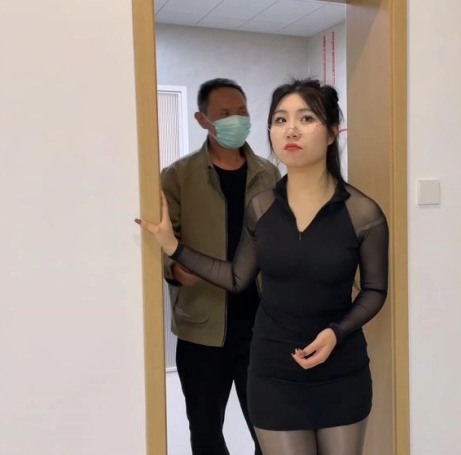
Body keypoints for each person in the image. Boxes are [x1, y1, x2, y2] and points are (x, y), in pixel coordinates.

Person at [137, 78, 389, 455]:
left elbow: (374, 290)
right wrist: (173, 247)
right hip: (273, 372)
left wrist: (337, 332)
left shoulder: (363, 213)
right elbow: (236, 277)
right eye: (281, 119)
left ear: (333, 132)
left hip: (342, 372)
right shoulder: (262, 207)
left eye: (306, 118)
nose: (291, 129)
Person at [160, 78, 280, 455]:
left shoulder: (268, 175)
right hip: (202, 327)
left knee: (270, 430)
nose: (236, 119)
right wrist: (174, 269)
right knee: (206, 432)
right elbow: (164, 240)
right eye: (225, 113)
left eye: (242, 111)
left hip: (260, 327)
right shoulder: (177, 176)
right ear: (202, 119)